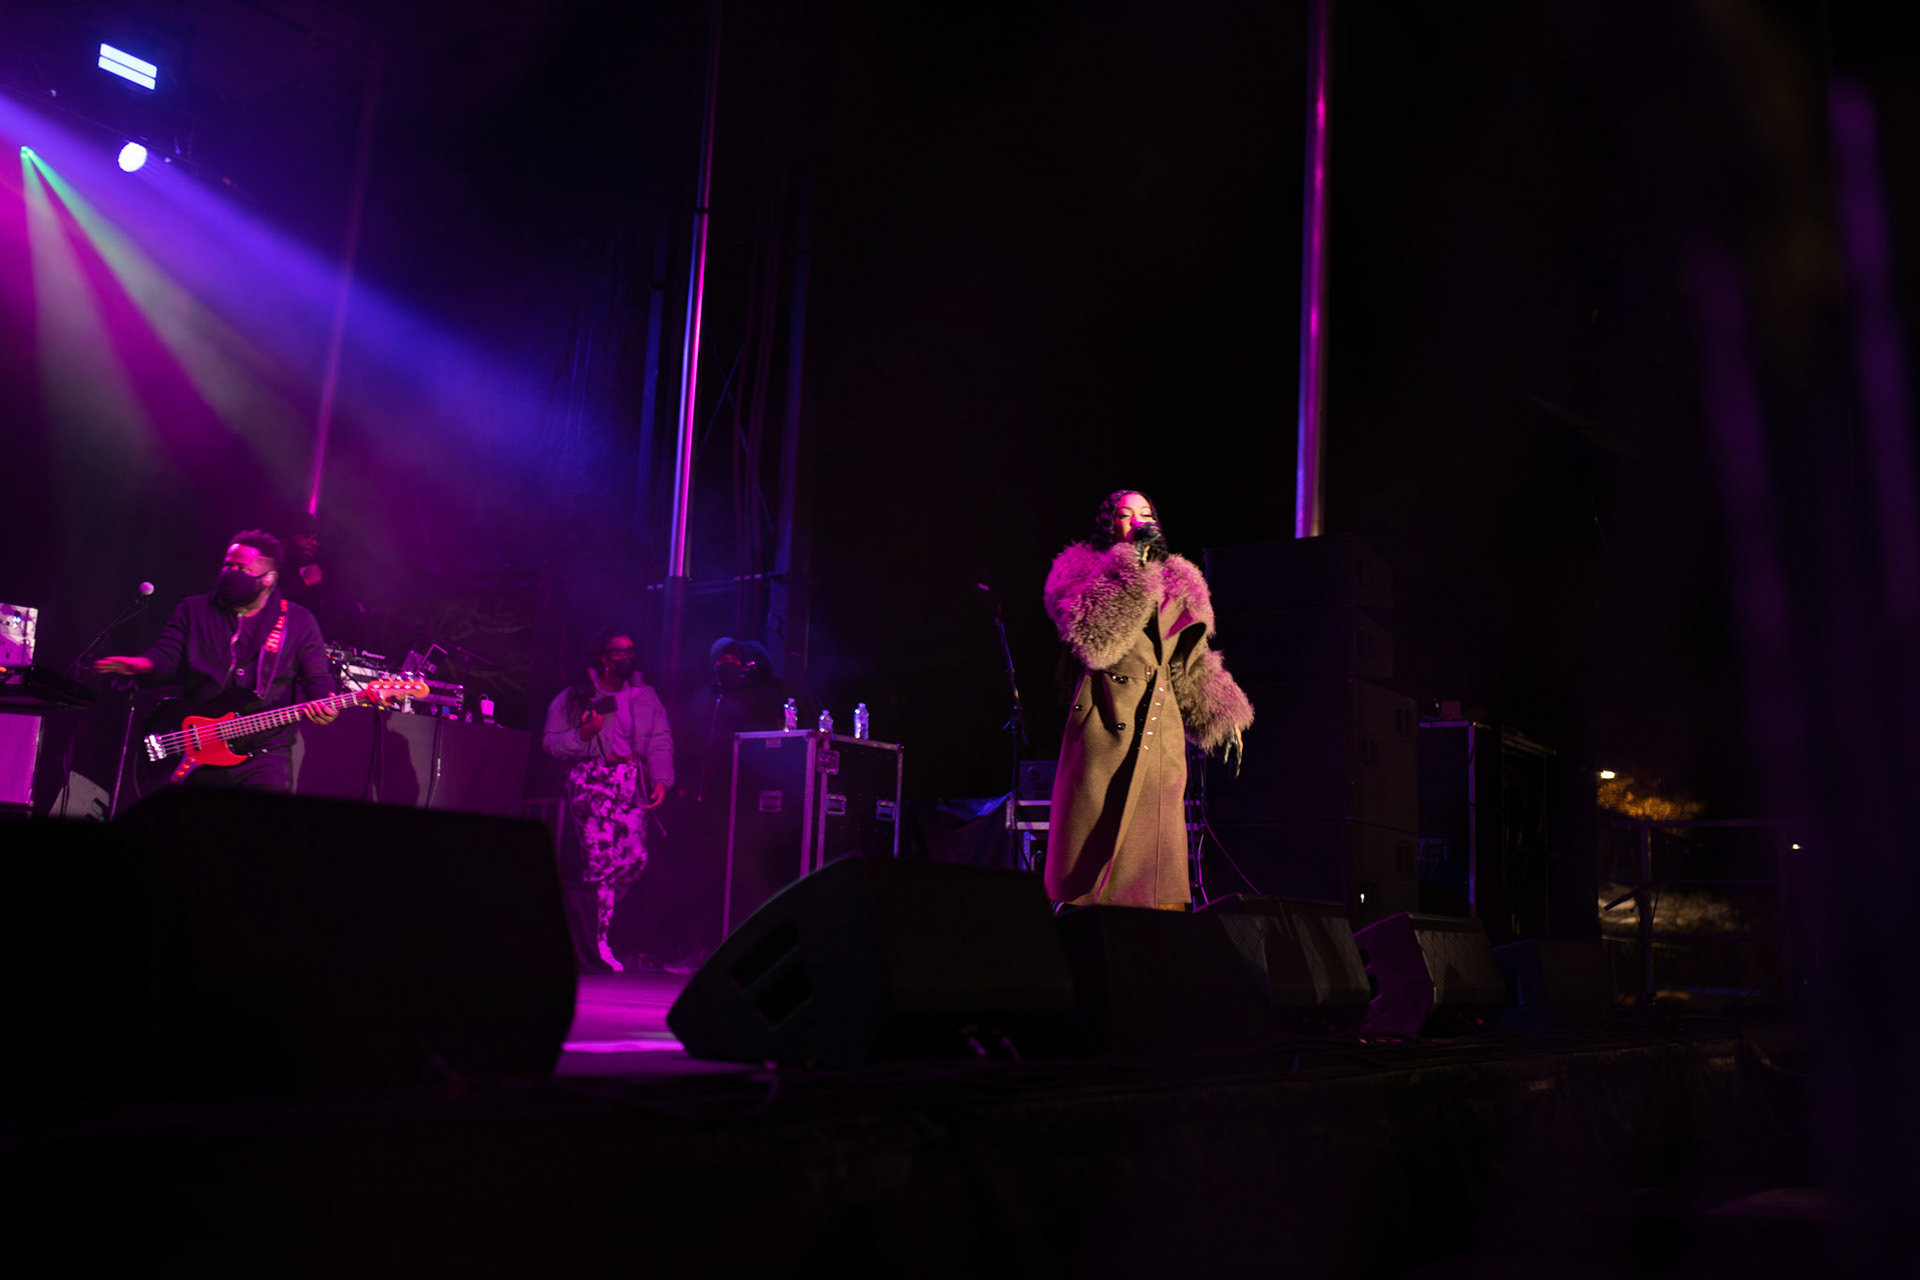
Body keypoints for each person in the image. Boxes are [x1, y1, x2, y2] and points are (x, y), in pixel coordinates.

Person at [1043, 490, 1253, 909]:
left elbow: (1190, 662)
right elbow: (1096, 642)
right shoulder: (1081, 571)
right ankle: (1082, 926)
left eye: (1146, 514)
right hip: (1105, 720)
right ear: (1110, 525)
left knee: (1155, 864)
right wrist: (1133, 569)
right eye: (1126, 515)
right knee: (1092, 846)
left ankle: (1154, 933)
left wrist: (1223, 715)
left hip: (1160, 730)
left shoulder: (1179, 582)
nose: (1138, 521)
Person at [95, 530, 339, 792]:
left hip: (266, 750)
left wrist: (326, 703)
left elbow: (317, 677)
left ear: (268, 579)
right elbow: (166, 654)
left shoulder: (298, 621)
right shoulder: (193, 609)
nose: (231, 572)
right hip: (201, 741)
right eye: (227, 565)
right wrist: (144, 665)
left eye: (242, 569)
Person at [542, 628, 675, 971]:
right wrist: (583, 735)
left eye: (631, 651)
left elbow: (660, 739)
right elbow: (551, 743)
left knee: (635, 859)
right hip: (592, 782)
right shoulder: (576, 696)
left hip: (631, 782)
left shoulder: (645, 696)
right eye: (619, 652)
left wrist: (661, 779)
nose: (626, 658)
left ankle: (585, 924)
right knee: (600, 865)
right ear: (604, 658)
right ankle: (598, 943)